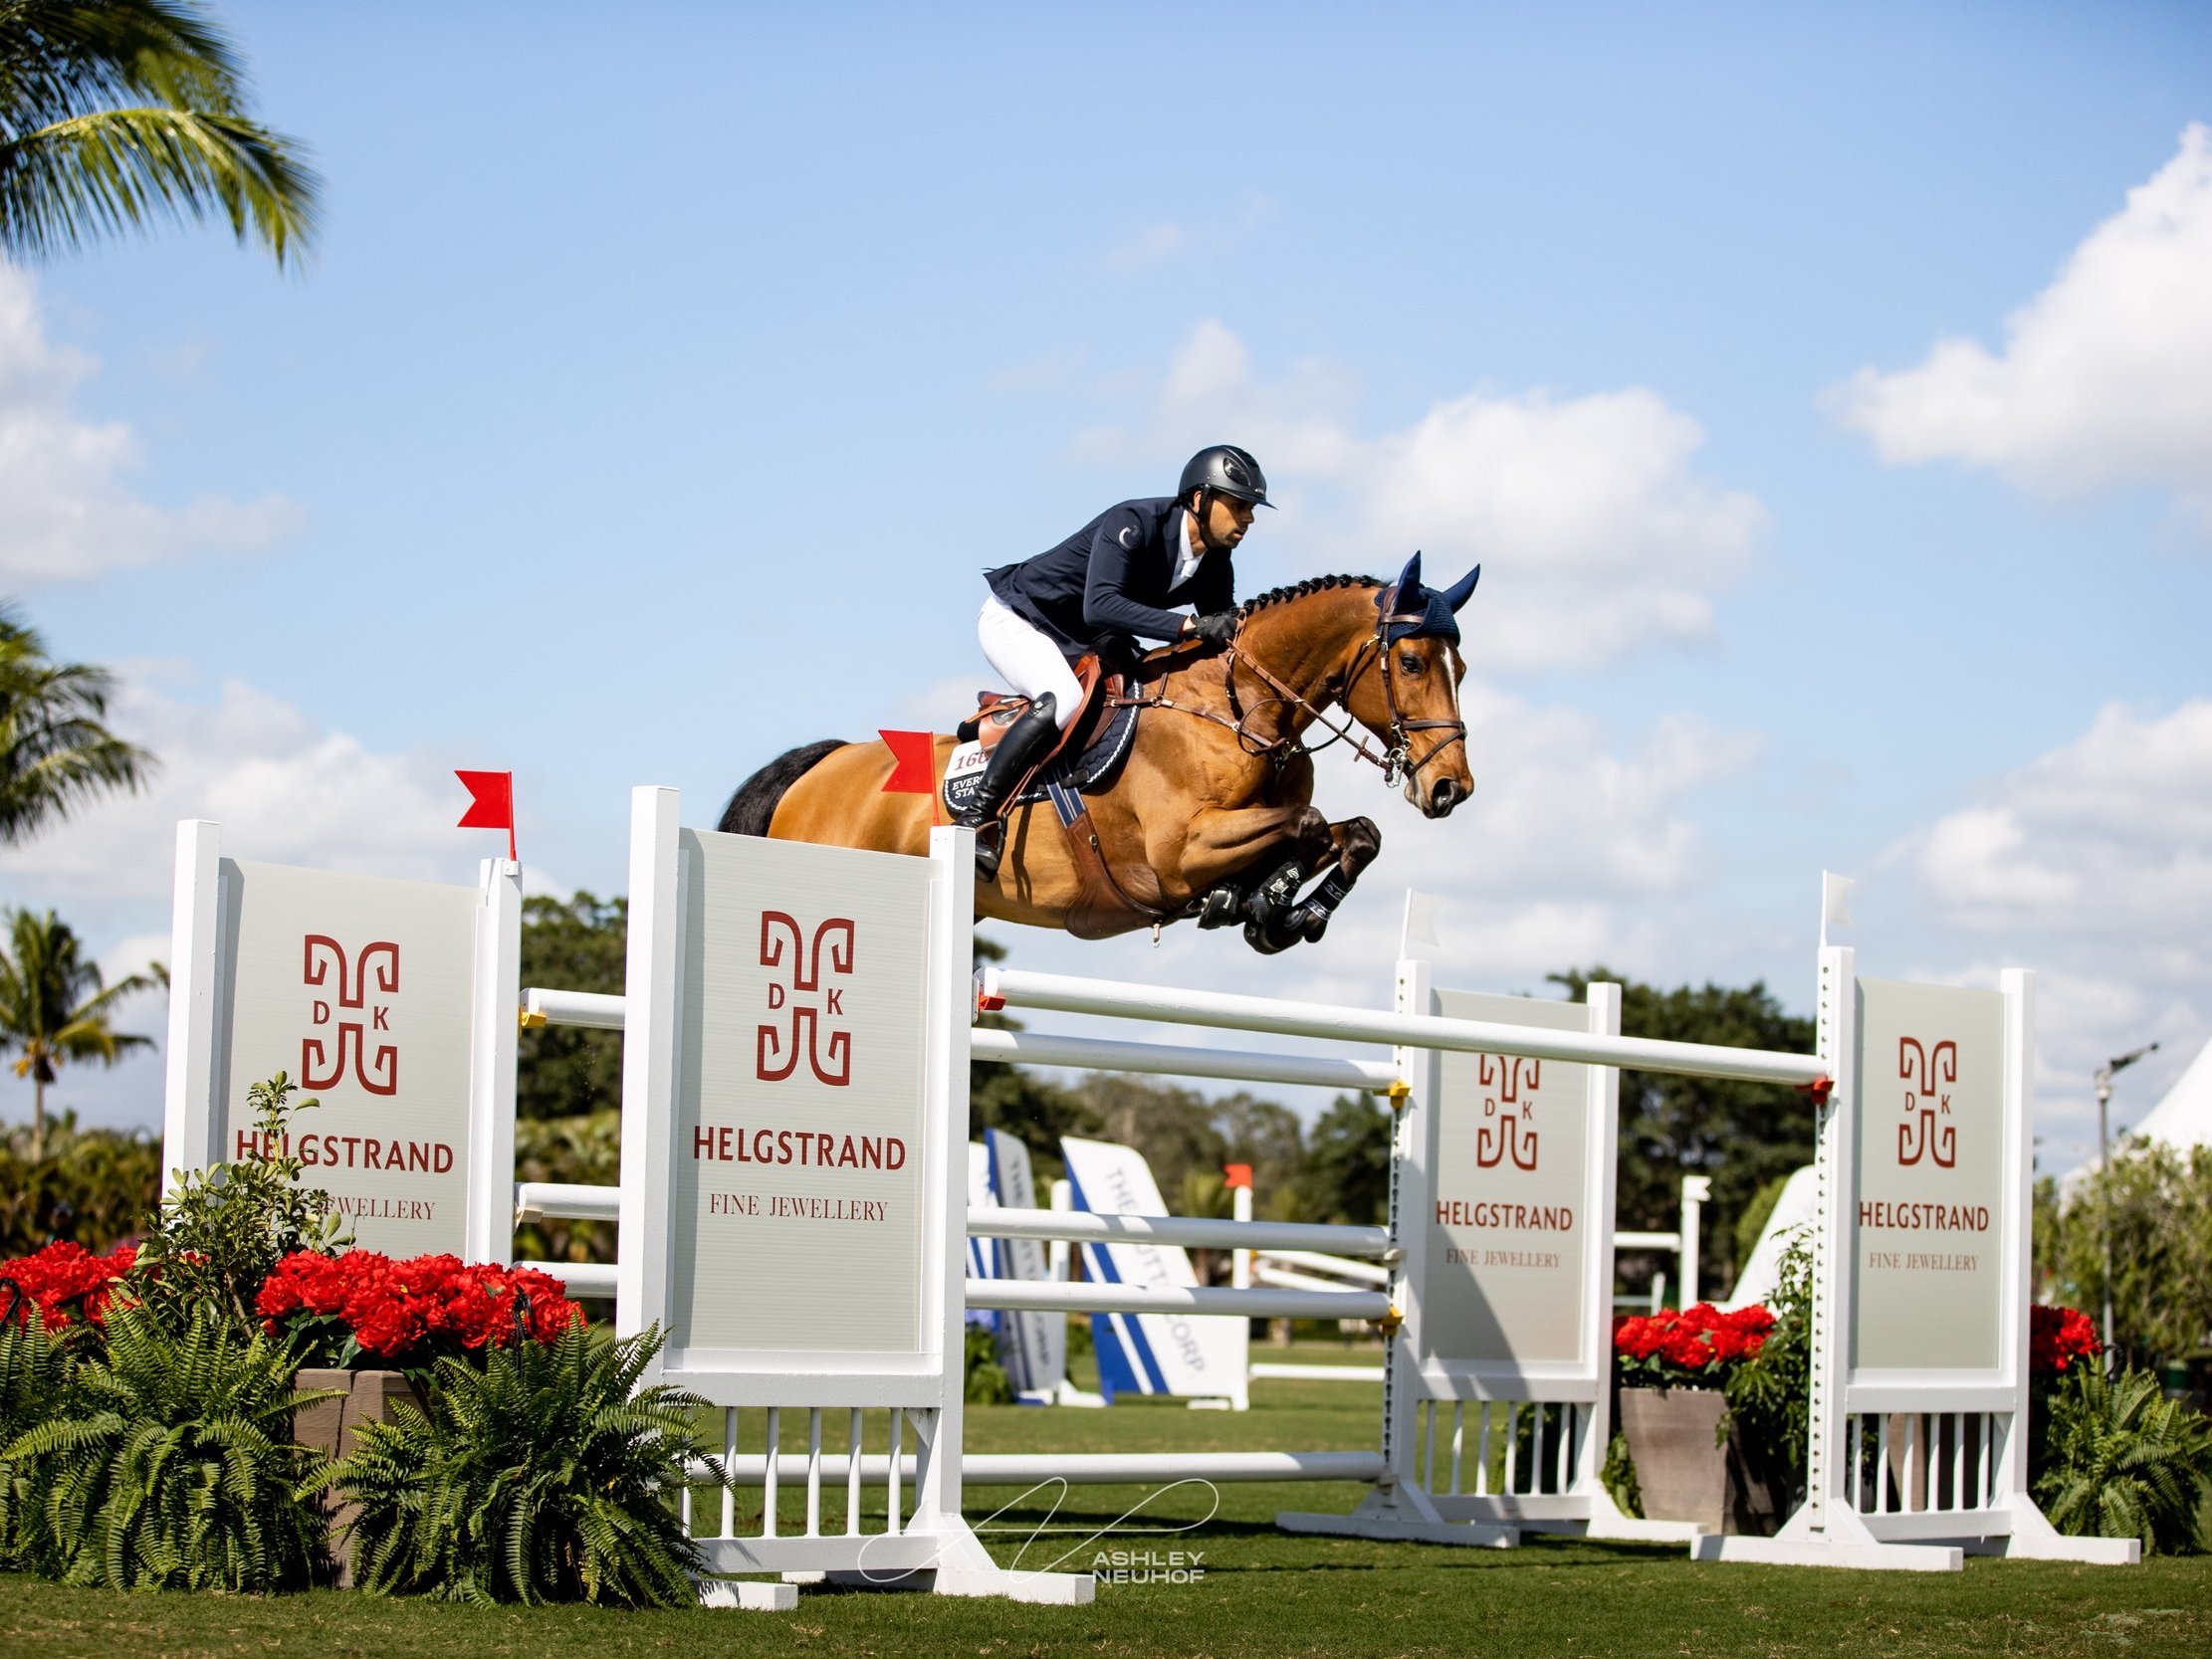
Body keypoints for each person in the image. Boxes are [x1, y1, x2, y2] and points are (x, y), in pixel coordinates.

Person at [960, 444, 1271, 879]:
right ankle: (977, 819)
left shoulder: (1216, 561)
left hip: (1082, 637)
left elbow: (1218, 640)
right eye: (1238, 506)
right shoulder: (1134, 523)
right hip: (1021, 618)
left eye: (1251, 509)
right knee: (1063, 698)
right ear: (1199, 499)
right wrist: (1187, 627)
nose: (1249, 519)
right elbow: (1101, 605)